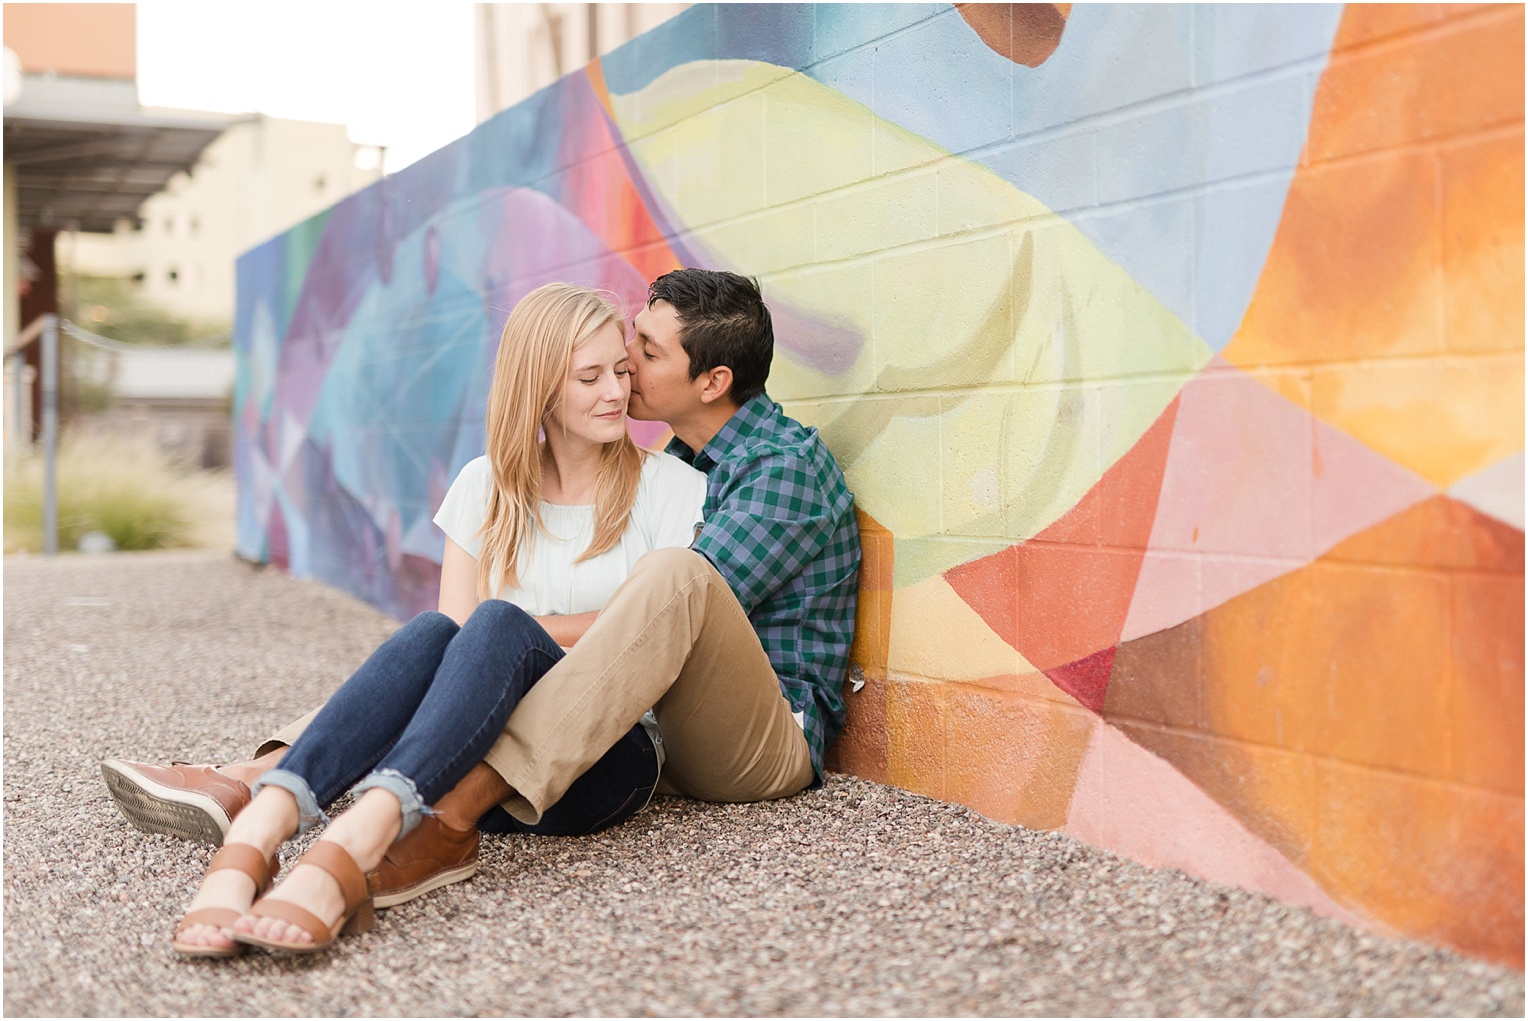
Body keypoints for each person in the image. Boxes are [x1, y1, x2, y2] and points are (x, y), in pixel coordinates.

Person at [103, 268, 862, 957]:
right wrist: (487, 644)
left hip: (742, 734)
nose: (623, 380)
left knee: (574, 604)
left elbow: (659, 624)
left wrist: (501, 639)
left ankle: (400, 824)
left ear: (711, 380)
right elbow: (463, 636)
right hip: (577, 718)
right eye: (599, 368)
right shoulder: (684, 459)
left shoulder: (753, 474)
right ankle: (265, 804)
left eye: (639, 360)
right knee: (453, 631)